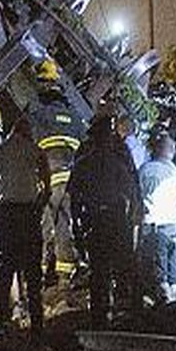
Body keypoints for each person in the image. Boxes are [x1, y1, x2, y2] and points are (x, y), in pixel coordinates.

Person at [0, 115, 50, 335]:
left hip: (2, 216)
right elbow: (47, 186)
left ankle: (1, 320)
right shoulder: (35, 151)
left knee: (4, 269)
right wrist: (39, 207)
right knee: (32, 271)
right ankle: (37, 322)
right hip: (27, 214)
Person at [69, 114, 141, 322]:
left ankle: (103, 313)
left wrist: (77, 229)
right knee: (119, 268)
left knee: (101, 270)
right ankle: (120, 312)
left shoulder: (85, 158)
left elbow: (74, 198)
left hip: (98, 220)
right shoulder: (120, 153)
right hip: (115, 219)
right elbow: (134, 190)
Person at [137, 133, 176, 304]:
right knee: (173, 268)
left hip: (154, 226)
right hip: (173, 226)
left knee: (157, 270)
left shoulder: (147, 169)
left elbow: (136, 196)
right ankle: (175, 298)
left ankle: (160, 303)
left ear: (157, 149)